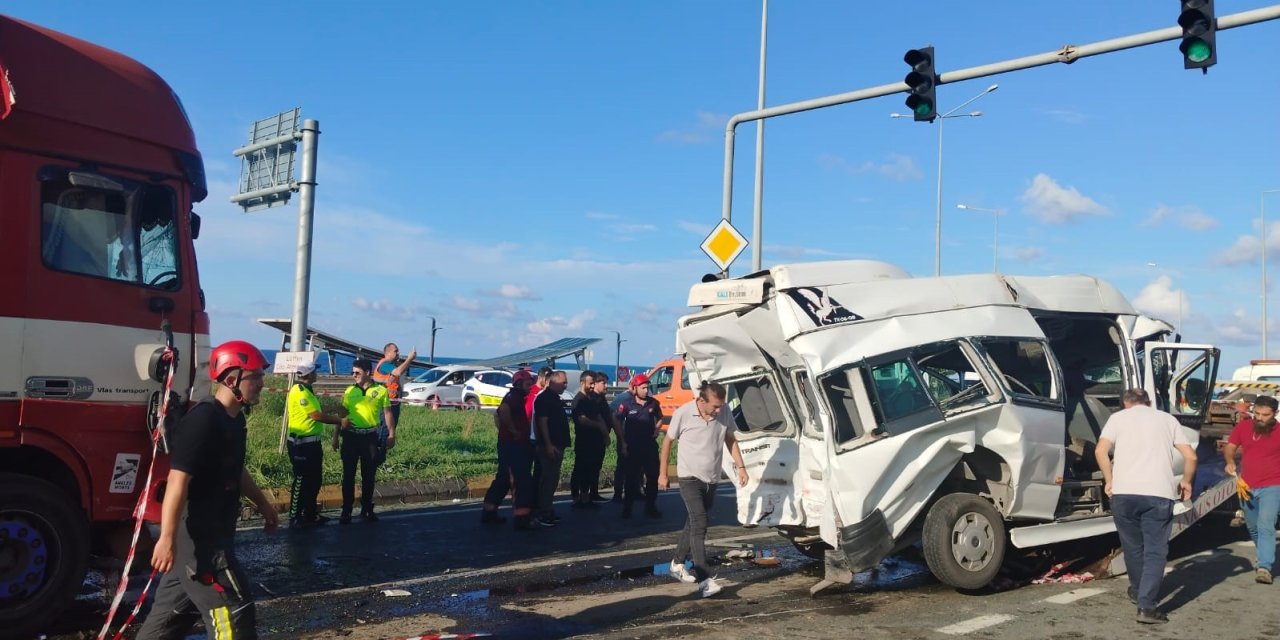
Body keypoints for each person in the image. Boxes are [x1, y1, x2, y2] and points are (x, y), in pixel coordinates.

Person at [136, 340, 280, 639]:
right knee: (235, 612)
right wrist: (166, 538)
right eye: (256, 376)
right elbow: (177, 482)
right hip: (201, 541)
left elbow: (235, 470)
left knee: (165, 626)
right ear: (232, 379)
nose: (262, 383)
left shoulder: (234, 420)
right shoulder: (203, 419)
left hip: (210, 536)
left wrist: (264, 505)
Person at [1095, 388, 1197, 625]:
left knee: (1132, 547)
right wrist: (1186, 481)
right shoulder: (1167, 419)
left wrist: (1109, 480)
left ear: (1125, 403)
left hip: (1124, 493)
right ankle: (1146, 606)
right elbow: (1190, 457)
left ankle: (1137, 590)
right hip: (1158, 494)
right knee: (1155, 550)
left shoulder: (1117, 418)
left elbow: (1100, 450)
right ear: (1149, 402)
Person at [659, 381, 748, 598]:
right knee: (700, 522)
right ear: (701, 400)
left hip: (712, 478)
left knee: (694, 521)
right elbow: (667, 442)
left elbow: (730, 439)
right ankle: (704, 579)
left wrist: (741, 466)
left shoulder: (724, 411)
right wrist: (663, 473)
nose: (719, 410)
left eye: (721, 406)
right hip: (689, 477)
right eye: (715, 406)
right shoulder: (684, 413)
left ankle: (676, 563)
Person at [1224, 394, 1280, 585]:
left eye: (1265, 415)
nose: (1260, 418)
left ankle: (1264, 567)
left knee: (1266, 525)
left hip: (1273, 485)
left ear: (1274, 414)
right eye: (1257, 413)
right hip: (1246, 485)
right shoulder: (1243, 427)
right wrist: (1230, 462)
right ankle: (1263, 552)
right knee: (1253, 527)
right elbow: (1230, 447)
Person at [286, 361, 349, 530]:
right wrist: (340, 420)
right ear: (308, 375)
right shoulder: (300, 392)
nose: (317, 374)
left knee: (314, 480)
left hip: (312, 444)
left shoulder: (307, 390)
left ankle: (310, 513)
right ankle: (294, 516)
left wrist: (335, 407)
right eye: (314, 372)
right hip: (301, 444)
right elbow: (315, 415)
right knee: (301, 480)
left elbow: (317, 409)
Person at [481, 369, 539, 529]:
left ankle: (489, 510)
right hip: (515, 445)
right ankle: (522, 517)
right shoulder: (515, 397)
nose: (530, 386)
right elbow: (503, 411)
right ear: (519, 384)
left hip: (509, 444)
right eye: (528, 384)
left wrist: (504, 431)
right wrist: (513, 430)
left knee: (503, 478)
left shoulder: (513, 396)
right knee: (521, 480)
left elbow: (497, 415)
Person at [339, 359, 396, 524]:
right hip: (350, 437)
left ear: (368, 373)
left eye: (357, 372)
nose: (354, 375)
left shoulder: (380, 391)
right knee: (348, 475)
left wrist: (391, 433)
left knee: (369, 475)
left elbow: (387, 414)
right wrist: (336, 436)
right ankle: (346, 510)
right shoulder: (349, 391)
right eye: (352, 373)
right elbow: (342, 415)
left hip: (370, 437)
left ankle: (366, 509)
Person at [617, 373, 664, 519]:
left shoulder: (653, 403)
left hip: (649, 446)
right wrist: (622, 442)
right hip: (632, 447)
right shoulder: (626, 404)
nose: (646, 390)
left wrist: (657, 429)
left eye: (647, 387)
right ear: (635, 388)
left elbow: (660, 418)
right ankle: (627, 508)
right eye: (643, 387)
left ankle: (650, 506)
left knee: (652, 477)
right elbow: (617, 421)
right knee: (631, 479)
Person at [532, 370, 570, 526]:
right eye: (563, 382)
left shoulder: (554, 398)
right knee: (548, 479)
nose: (566, 385)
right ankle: (542, 512)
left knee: (552, 479)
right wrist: (548, 444)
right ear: (553, 382)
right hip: (550, 445)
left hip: (557, 443)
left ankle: (547, 509)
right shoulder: (544, 398)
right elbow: (542, 423)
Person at [571, 371, 609, 509]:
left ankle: (587, 498)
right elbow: (582, 420)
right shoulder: (578, 400)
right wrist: (598, 426)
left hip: (595, 441)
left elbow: (598, 416)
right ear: (582, 383)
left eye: (594, 383)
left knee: (590, 469)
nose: (593, 386)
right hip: (584, 440)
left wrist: (605, 434)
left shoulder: (591, 399)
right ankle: (577, 498)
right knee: (581, 469)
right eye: (590, 383)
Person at [589, 371, 622, 502]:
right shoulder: (592, 399)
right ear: (595, 383)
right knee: (590, 466)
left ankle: (594, 492)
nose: (606, 386)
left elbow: (610, 417)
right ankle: (586, 495)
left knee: (597, 465)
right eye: (603, 383)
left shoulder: (602, 398)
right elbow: (598, 419)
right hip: (593, 438)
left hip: (601, 438)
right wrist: (605, 435)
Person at [373, 342, 416, 428]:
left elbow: (399, 371)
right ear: (388, 353)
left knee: (391, 428)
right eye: (395, 351)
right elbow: (398, 372)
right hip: (386, 404)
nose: (398, 353)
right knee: (385, 429)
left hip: (393, 402)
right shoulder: (385, 365)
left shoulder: (392, 365)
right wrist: (409, 359)